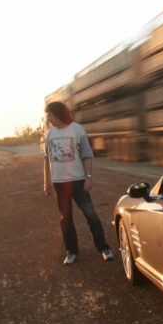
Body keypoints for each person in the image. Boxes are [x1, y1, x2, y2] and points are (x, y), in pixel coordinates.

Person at [42, 101, 115, 265]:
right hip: (59, 183)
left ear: (58, 114)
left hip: (77, 181)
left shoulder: (77, 129)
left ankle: (104, 248)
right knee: (65, 218)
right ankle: (72, 252)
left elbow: (87, 155)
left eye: (50, 115)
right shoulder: (49, 134)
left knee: (91, 215)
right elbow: (46, 160)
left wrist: (88, 177)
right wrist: (46, 182)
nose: (48, 118)